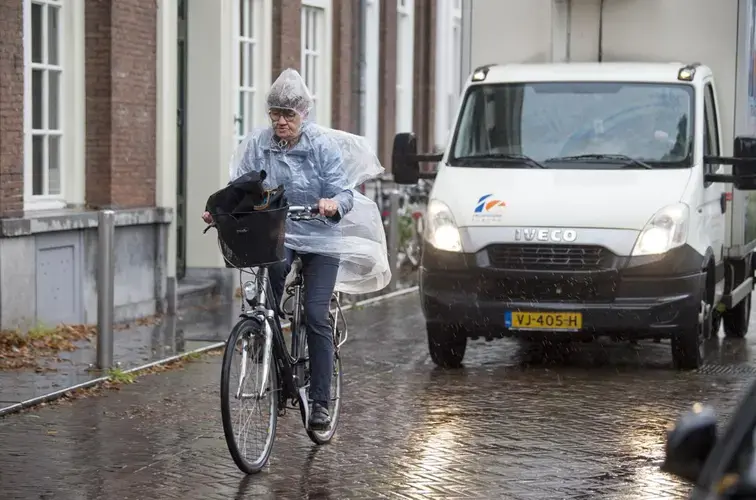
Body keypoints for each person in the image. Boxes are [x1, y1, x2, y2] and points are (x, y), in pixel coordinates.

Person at [202, 69, 354, 430]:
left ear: (304, 114)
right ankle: (264, 331)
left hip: (321, 239)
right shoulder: (259, 144)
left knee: (316, 315)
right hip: (281, 233)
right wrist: (220, 209)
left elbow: (345, 192)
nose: (281, 122)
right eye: (276, 114)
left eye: (289, 115)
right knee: (268, 275)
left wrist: (333, 204)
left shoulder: (321, 147)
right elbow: (240, 186)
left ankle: (319, 402)